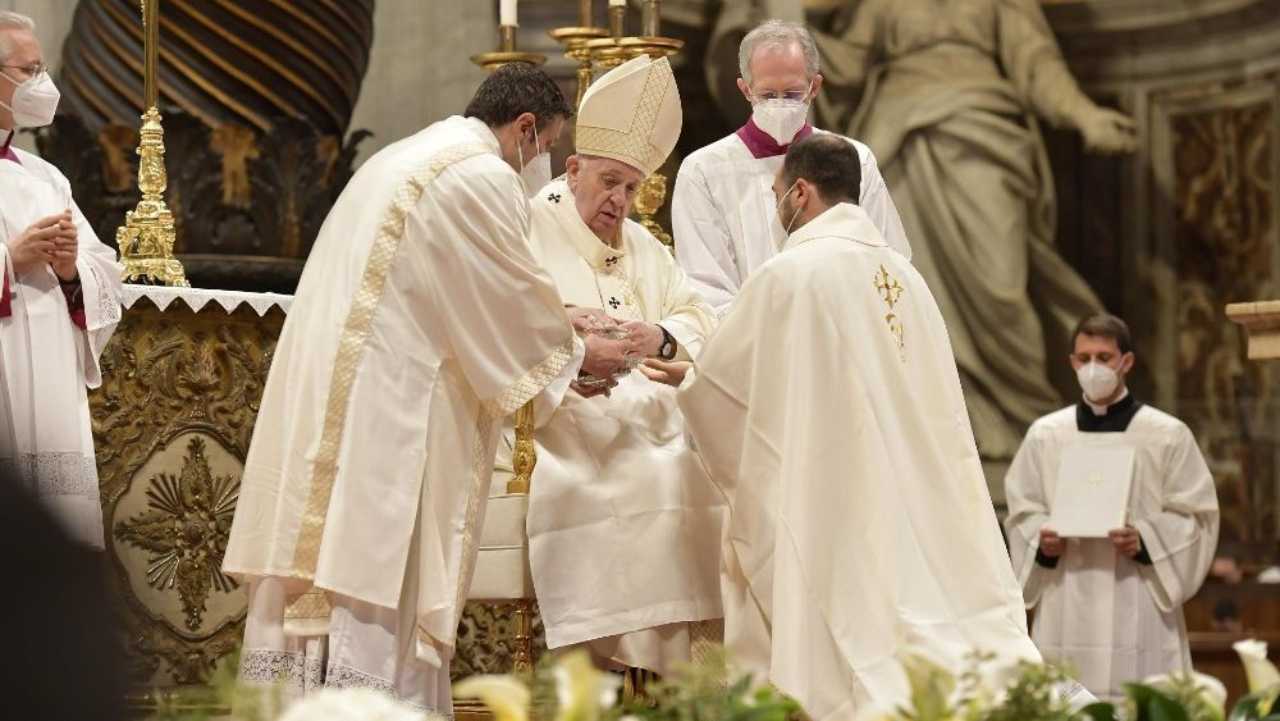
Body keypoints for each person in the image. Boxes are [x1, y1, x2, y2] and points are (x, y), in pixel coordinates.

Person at [222, 64, 637, 714]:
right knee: (370, 582)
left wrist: (563, 316)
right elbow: (507, 307)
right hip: (388, 417)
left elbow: (460, 280)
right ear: (526, 128)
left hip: (333, 403)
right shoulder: (482, 175)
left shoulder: (408, 156)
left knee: (323, 579)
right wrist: (582, 352)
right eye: (549, 147)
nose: (544, 168)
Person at [677, 134, 1041, 720]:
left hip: (835, 491)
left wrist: (687, 374)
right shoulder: (907, 276)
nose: (776, 209)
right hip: (921, 494)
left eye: (777, 194)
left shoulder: (789, 272)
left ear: (800, 191)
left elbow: (718, 387)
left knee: (853, 635)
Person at [806, 0, 1137, 467]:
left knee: (1000, 285)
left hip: (981, 130)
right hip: (900, 137)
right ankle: (941, 423)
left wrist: (1084, 114)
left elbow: (1038, 62)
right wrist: (792, 25)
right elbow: (847, 63)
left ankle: (1023, 419)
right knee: (909, 289)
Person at [494, 55, 723, 675]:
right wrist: (573, 343)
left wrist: (660, 336)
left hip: (657, 413)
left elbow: (700, 317)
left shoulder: (645, 243)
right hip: (570, 417)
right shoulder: (528, 225)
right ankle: (631, 660)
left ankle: (686, 669)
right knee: (650, 473)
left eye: (632, 187)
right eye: (609, 182)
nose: (621, 201)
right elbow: (503, 319)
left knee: (715, 468)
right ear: (572, 168)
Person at [1004, 313, 1219, 701]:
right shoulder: (1046, 435)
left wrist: (1147, 538)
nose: (1093, 368)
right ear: (1071, 362)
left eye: (1103, 357)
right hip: (1067, 593)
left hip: (1137, 596)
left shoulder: (1166, 435)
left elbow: (1197, 514)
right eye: (1084, 358)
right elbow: (1021, 510)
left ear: (1126, 362)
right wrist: (1042, 540)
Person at [671, 19, 910, 317]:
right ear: (745, 90)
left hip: (842, 338)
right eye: (768, 95)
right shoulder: (704, 171)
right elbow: (705, 286)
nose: (781, 104)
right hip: (751, 344)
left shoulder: (855, 159)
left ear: (815, 87)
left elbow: (889, 259)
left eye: (793, 94)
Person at [0, 10, 123, 549]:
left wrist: (73, 270)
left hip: (49, 379)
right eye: (28, 71)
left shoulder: (47, 177)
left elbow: (105, 273)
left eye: (41, 68)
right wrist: (10, 260)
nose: (41, 84)